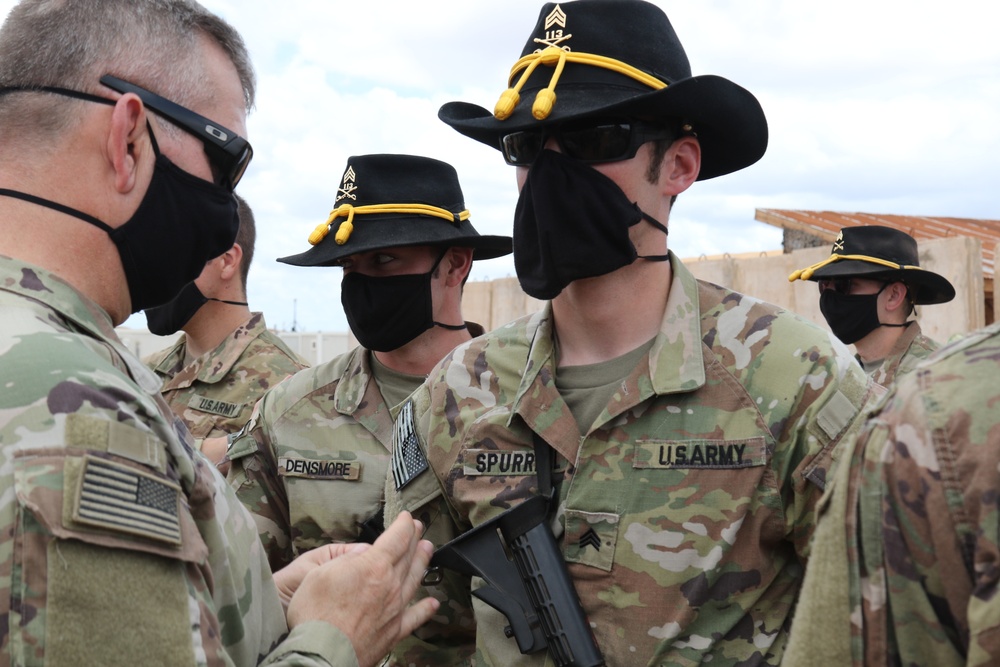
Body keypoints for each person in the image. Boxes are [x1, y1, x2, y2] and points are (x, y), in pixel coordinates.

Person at [384, 1, 876, 665]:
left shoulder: (794, 378)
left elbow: (883, 618)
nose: (551, 175)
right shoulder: (458, 392)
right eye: (528, 147)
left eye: (594, 140)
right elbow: (422, 633)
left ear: (678, 166)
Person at [0, 1, 436, 665]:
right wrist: (333, 640)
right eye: (223, 161)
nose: (224, 205)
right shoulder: (76, 413)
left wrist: (259, 599)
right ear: (128, 139)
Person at [226, 153, 513, 571]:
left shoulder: (524, 400)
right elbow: (244, 580)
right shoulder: (288, 411)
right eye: (348, 264)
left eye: (383, 260)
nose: (360, 283)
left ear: (455, 264)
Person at [784, 321, 1000, 666]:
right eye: (825, 290)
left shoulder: (936, 390)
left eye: (845, 288)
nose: (831, 300)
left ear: (893, 295)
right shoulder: (840, 372)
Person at [144, 193, 309, 456]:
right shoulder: (140, 373)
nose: (154, 269)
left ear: (227, 260)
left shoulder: (292, 389)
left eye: (169, 250)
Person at [789, 225, 955, 388]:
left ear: (893, 296)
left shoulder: (939, 376)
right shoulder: (836, 380)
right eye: (824, 285)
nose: (829, 297)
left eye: (843, 285)